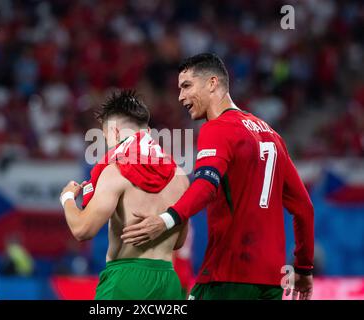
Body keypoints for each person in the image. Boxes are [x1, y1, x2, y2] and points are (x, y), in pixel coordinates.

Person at [121, 53, 314, 300]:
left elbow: (206, 185)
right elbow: (304, 208)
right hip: (271, 283)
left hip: (228, 277)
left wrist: (166, 220)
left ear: (212, 83)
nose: (181, 97)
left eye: (187, 86)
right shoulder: (272, 136)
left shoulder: (218, 128)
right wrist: (303, 268)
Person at [60, 90, 189, 300]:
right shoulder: (180, 177)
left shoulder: (115, 171)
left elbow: (83, 230)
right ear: (147, 131)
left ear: (116, 133)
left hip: (125, 282)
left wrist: (67, 199)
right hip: (168, 283)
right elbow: (179, 241)